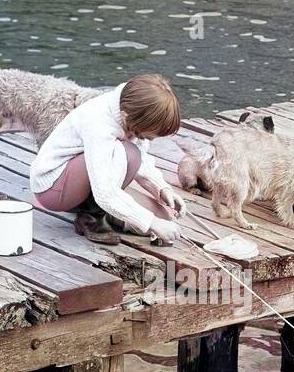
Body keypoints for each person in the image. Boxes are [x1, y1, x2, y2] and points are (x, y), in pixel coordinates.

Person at [30, 74, 187, 246]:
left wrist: (162, 189)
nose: (149, 140)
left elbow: (142, 159)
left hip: (82, 183)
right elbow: (105, 193)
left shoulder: (130, 111)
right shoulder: (99, 123)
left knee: (164, 217)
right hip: (53, 188)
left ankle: (110, 212)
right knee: (127, 153)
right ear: (127, 117)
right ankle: (91, 218)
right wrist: (152, 223)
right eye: (146, 135)